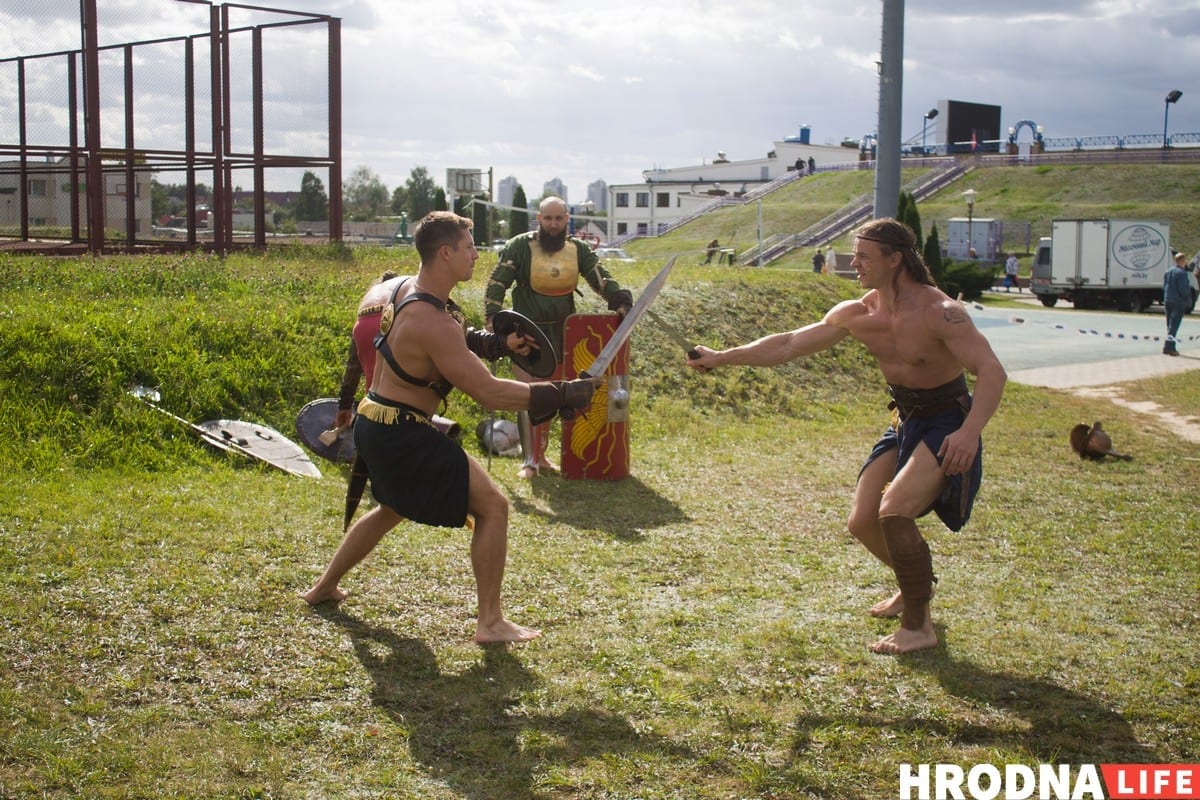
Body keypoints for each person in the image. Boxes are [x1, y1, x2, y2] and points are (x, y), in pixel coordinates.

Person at [687, 218, 1007, 654]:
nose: (852, 263)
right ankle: (916, 585)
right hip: (906, 418)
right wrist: (722, 357)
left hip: (948, 419)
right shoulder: (858, 312)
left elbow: (991, 371)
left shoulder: (940, 312)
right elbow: (788, 344)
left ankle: (919, 626)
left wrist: (970, 433)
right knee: (861, 521)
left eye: (863, 257)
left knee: (893, 511)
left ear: (895, 260)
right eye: (853, 254)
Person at [304, 211, 599, 643]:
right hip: (405, 432)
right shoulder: (432, 320)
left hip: (376, 421)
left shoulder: (409, 290)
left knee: (391, 508)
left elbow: (459, 340)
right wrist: (562, 394)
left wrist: (501, 344)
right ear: (446, 253)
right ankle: (491, 622)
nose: (476, 255)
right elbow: (488, 392)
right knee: (494, 507)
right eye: (468, 247)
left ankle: (323, 588)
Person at [485, 196, 632, 479]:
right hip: (525, 333)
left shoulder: (578, 249)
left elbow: (599, 276)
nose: (553, 224)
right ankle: (529, 459)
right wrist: (493, 319)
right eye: (548, 219)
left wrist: (619, 299)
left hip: (564, 333)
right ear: (539, 219)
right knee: (529, 395)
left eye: (559, 218)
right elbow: (497, 283)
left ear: (567, 220)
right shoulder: (519, 246)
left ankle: (542, 455)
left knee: (553, 396)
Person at [1162, 250, 1191, 356]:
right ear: (1182, 261)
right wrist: (1187, 300)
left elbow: (1165, 285)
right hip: (1178, 301)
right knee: (1174, 325)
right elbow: (1183, 289)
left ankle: (1170, 346)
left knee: (1169, 324)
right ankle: (1169, 347)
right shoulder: (1182, 273)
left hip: (1168, 299)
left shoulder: (1168, 271)